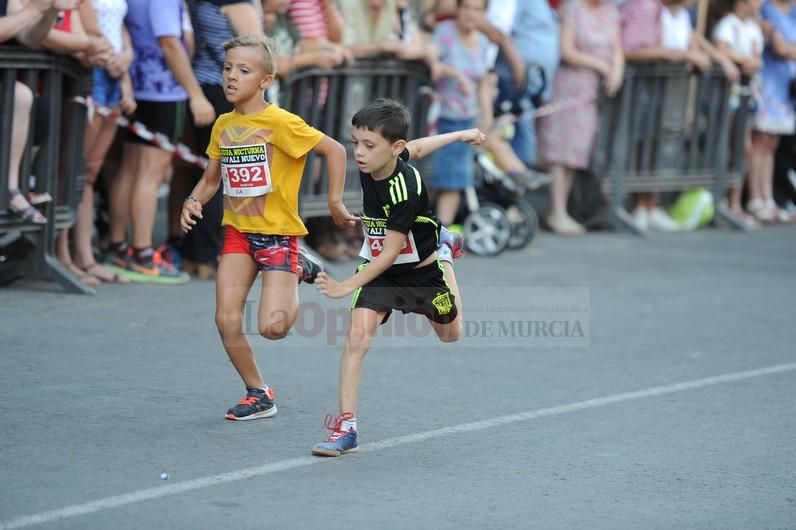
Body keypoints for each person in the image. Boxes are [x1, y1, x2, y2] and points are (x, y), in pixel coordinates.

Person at [180, 34, 354, 421]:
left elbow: (335, 150)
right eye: (227, 68)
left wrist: (334, 202)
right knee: (225, 319)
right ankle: (258, 392)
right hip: (239, 233)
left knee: (274, 328)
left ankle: (298, 264)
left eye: (244, 70)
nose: (231, 77)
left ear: (265, 80)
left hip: (278, 236)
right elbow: (211, 179)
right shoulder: (223, 125)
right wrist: (193, 201)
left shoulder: (280, 122)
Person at [310, 98, 484, 457]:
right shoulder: (378, 159)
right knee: (357, 336)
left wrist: (344, 285)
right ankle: (347, 427)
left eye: (368, 146)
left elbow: (391, 252)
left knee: (451, 334)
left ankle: (446, 254)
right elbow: (418, 147)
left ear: (393, 148)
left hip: (420, 274)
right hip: (381, 274)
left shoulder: (405, 186)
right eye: (356, 142)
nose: (358, 152)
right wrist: (461, 134)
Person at [537, 0, 623, 236]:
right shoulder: (572, 8)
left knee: (577, 150)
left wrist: (616, 70)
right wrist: (601, 66)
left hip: (592, 89)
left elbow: (617, 49)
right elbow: (566, 50)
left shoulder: (610, 11)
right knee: (559, 148)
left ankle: (561, 211)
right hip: (569, 84)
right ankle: (557, 210)